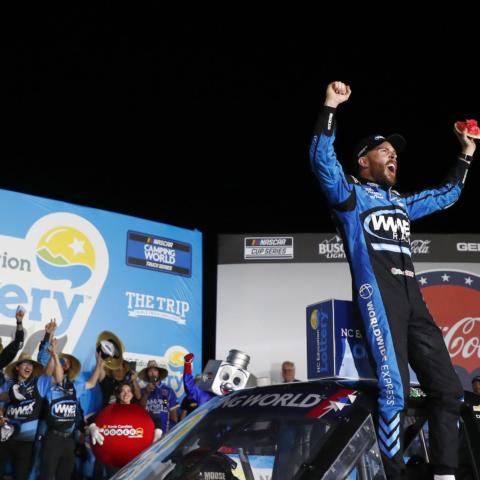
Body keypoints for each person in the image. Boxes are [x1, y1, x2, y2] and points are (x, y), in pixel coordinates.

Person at [310, 81, 476, 480]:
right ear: (363, 161)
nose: (393, 156)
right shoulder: (349, 195)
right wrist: (331, 105)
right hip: (378, 296)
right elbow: (321, 158)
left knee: (448, 390)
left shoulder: (400, 202)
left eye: (396, 153)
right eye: (385, 150)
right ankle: (393, 474)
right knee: (394, 390)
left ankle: (445, 474)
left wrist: (466, 152)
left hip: (413, 299)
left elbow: (447, 194)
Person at [139, 360, 178, 434]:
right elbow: (140, 408)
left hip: (164, 431)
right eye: (150, 371)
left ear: (159, 373)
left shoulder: (168, 390)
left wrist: (173, 431)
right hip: (146, 430)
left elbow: (172, 412)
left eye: (155, 370)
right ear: (147, 374)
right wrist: (147, 393)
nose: (153, 373)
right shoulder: (142, 391)